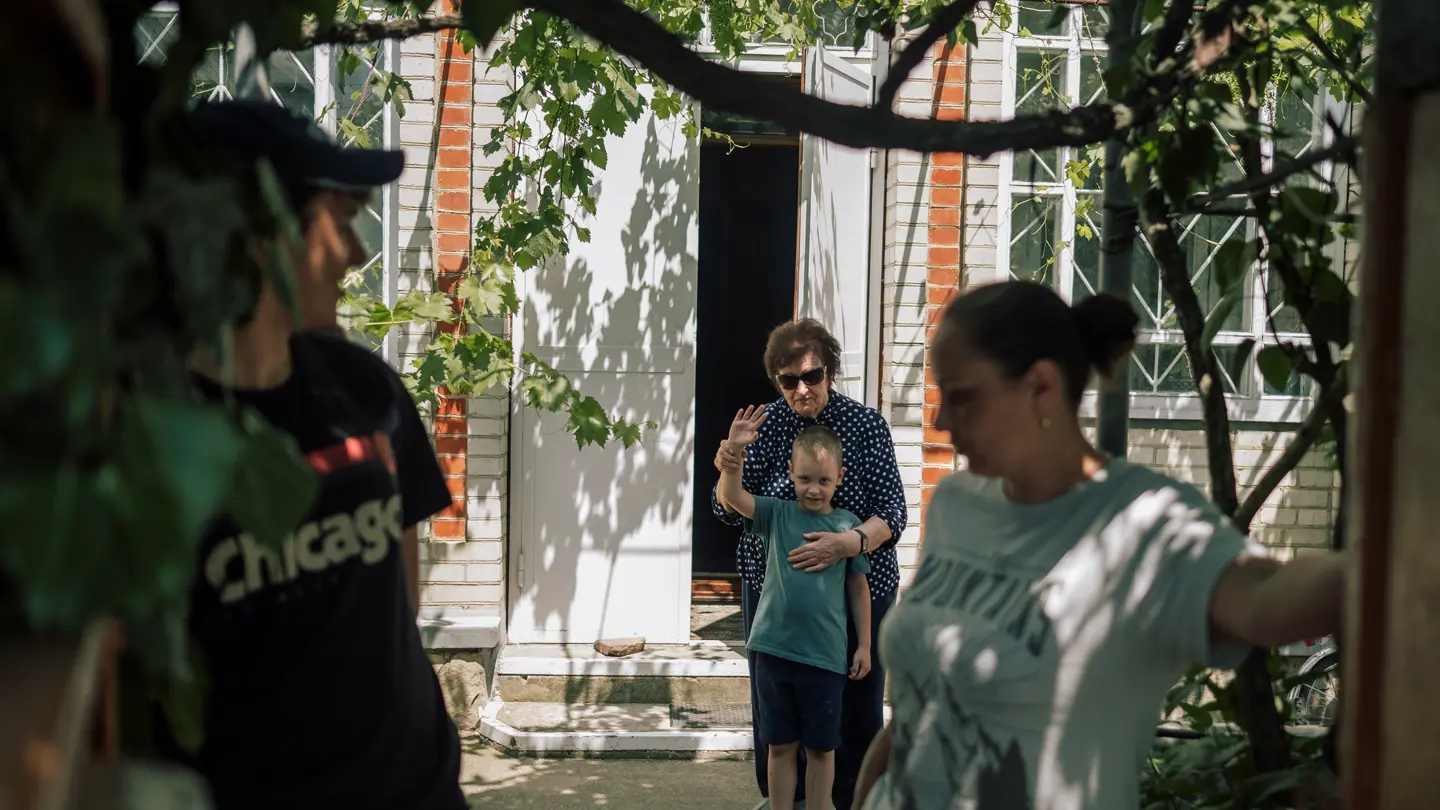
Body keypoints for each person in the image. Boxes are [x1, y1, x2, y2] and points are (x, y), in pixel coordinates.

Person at [853, 280, 1348, 810]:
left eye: (961, 396)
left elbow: (1267, 596)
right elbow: (919, 712)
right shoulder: (956, 504)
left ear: (1041, 388)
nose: (941, 420)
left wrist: (1391, 558)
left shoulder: (1144, 522)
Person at [150, 99, 465, 810]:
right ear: (261, 234)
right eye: (341, 221)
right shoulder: (151, 439)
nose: (357, 254)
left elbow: (399, 601)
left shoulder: (365, 391)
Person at [713, 319, 908, 810]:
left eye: (812, 375)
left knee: (856, 706)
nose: (802, 388)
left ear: (830, 371)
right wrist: (730, 462)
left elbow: (894, 514)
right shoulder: (766, 427)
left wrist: (847, 544)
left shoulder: (865, 425)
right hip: (777, 594)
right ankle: (786, 801)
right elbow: (727, 508)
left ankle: (854, 800)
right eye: (789, 380)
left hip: (857, 587)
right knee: (778, 707)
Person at [719, 412, 874, 810]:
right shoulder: (776, 513)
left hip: (825, 659)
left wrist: (865, 646)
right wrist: (734, 453)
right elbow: (733, 497)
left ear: (839, 477)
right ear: (790, 472)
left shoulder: (848, 527)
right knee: (781, 745)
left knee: (822, 749)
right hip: (773, 652)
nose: (814, 489)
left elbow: (858, 588)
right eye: (804, 478)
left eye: (823, 480)